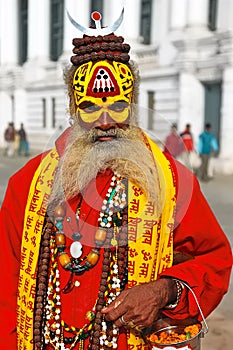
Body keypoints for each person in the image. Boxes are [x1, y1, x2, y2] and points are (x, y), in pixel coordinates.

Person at [0, 11, 232, 350]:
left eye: (119, 105)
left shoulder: (172, 182)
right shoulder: (26, 184)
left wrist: (164, 290)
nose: (106, 121)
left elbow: (214, 259)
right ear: (73, 108)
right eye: (92, 107)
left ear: (134, 104)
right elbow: (5, 287)